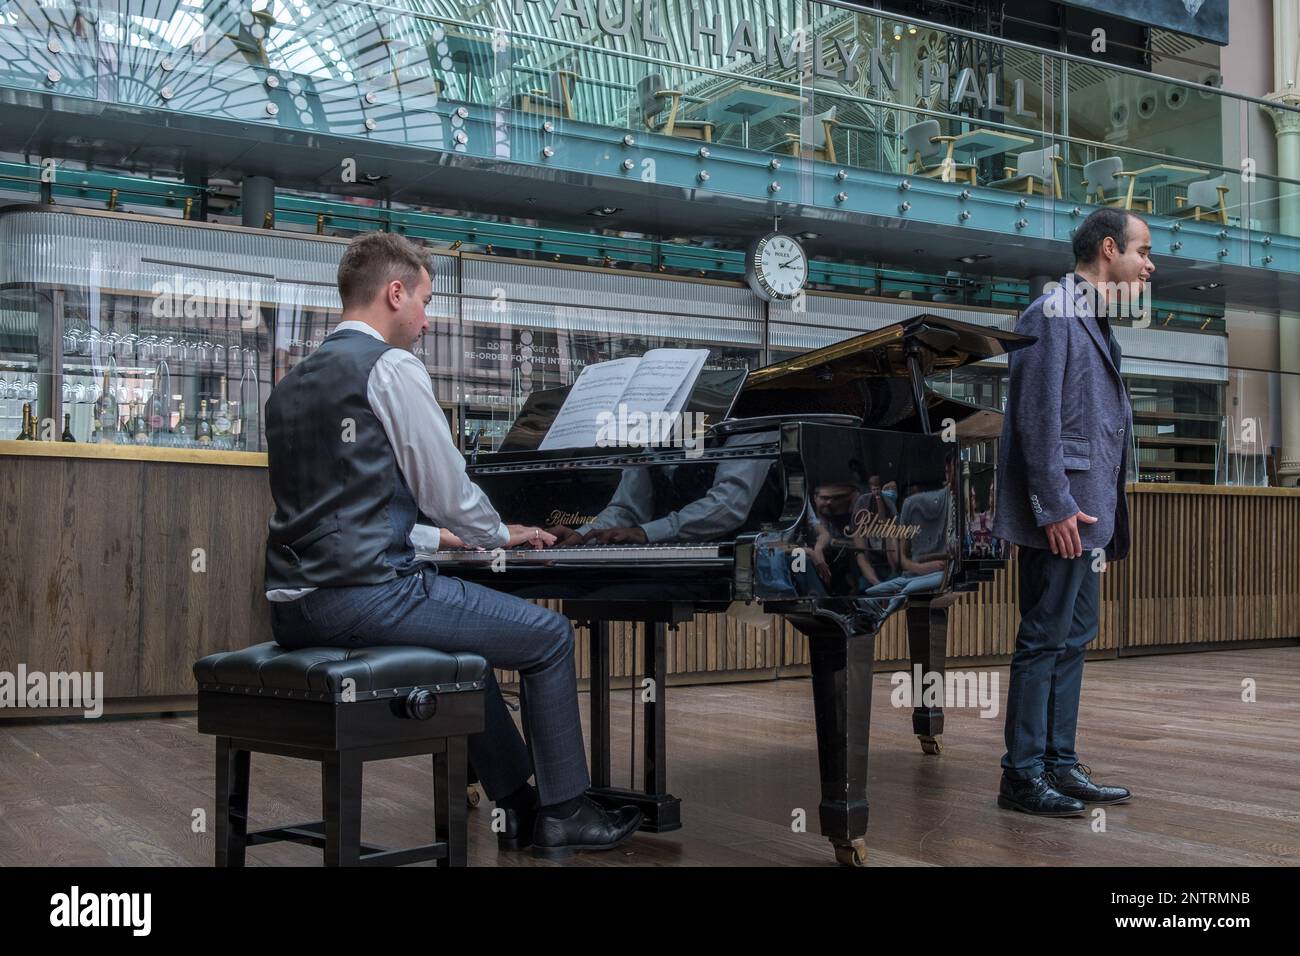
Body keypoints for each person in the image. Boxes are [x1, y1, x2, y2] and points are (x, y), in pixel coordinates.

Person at [262, 232, 642, 859]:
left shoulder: (292, 385)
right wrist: (497, 534)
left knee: (466, 650)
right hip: (366, 597)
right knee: (547, 639)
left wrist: (434, 536)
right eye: (425, 300)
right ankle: (567, 811)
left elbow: (336, 504)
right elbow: (448, 488)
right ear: (394, 292)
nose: (427, 318)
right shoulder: (389, 367)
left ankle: (518, 806)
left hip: (295, 609)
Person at [992, 207, 1147, 816]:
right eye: (1143, 250)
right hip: (1064, 515)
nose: (1149, 263)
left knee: (1075, 636)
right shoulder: (1051, 312)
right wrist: (1052, 506)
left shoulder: (1094, 319)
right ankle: (1021, 775)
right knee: (1043, 637)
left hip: (1092, 518)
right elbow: (1035, 419)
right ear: (1109, 249)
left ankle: (1059, 762)